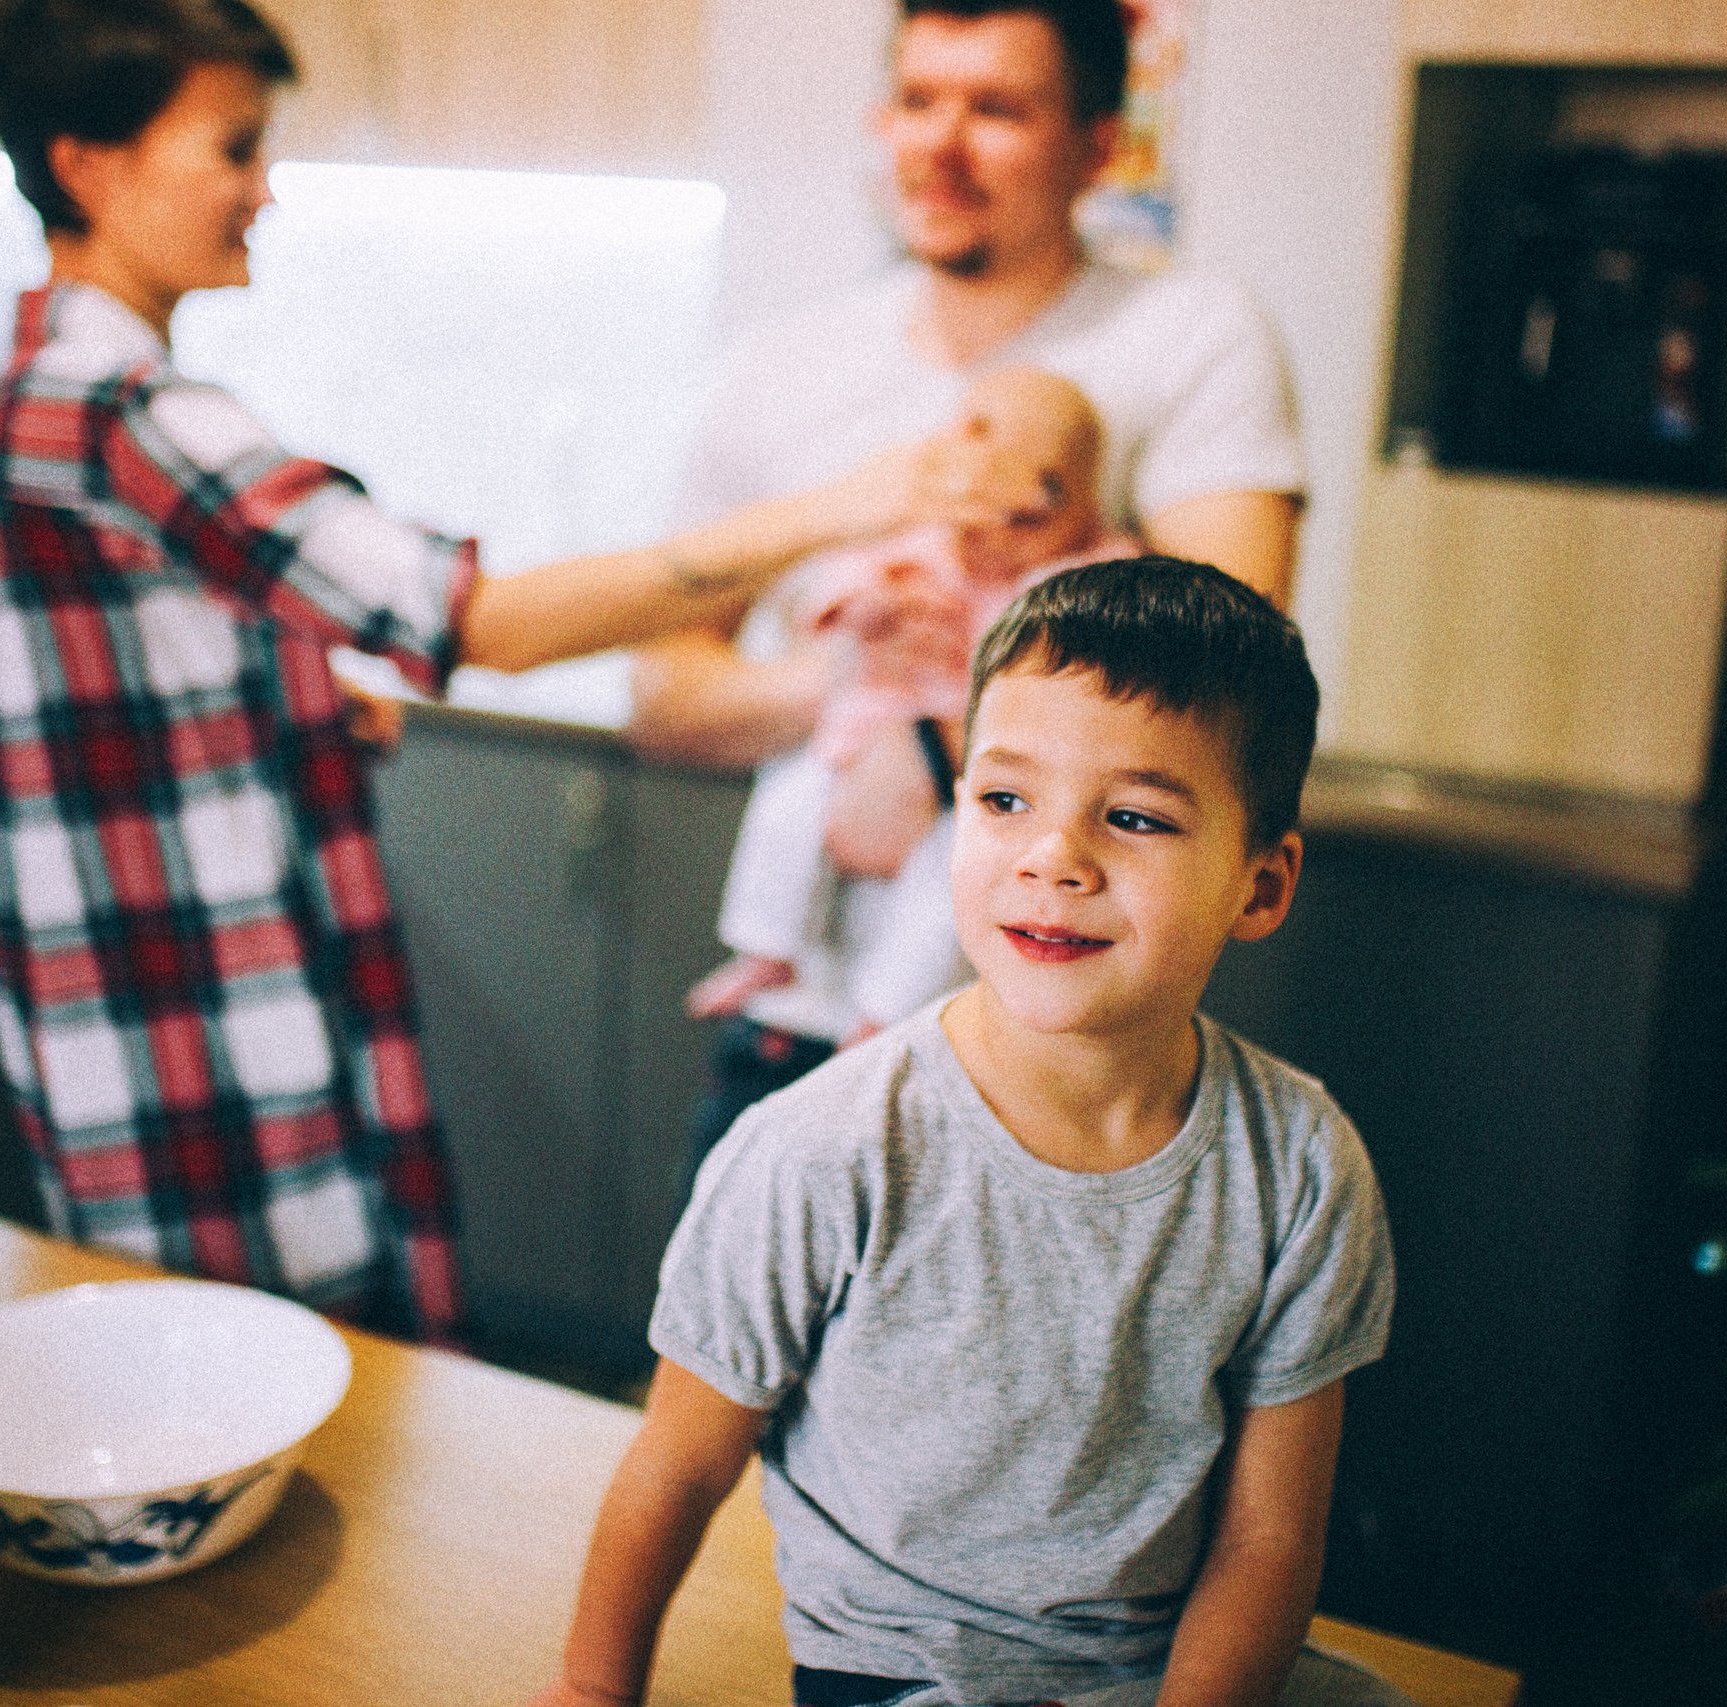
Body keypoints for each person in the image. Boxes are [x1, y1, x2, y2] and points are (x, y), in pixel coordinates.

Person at [0, 0, 997, 1343]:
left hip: (116, 1022)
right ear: (89, 164)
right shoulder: (120, 410)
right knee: (273, 1374)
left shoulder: (13, 401)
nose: (264, 188)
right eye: (233, 147)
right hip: (194, 1026)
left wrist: (293, 699)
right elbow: (483, 623)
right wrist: (848, 502)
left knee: (209, 1375)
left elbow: (42, 690)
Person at [533, 558, 1406, 1707]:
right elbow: (677, 1465)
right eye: (1002, 801)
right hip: (905, 1678)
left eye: (1134, 817)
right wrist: (594, 1693)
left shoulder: (1299, 1164)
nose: (1054, 857)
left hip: (1168, 1669)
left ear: (1260, 885)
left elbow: (1269, 1540)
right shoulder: (824, 1147)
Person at [637, 0, 1309, 1164]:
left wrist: (935, 751)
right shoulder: (782, 364)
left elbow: (1219, 687)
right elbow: (665, 700)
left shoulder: (1190, 336)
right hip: (790, 1037)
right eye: (918, 100)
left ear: (1100, 144)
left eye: (997, 109)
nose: (940, 146)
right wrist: (852, 692)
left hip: (1057, 1052)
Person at [686, 366, 1134, 1048]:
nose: (999, 535)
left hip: (975, 787)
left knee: (952, 888)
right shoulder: (917, 542)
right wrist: (863, 610)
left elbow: (1112, 664)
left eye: (1032, 517)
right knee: (783, 808)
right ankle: (766, 948)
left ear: (1084, 509)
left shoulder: (1084, 575)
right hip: (856, 738)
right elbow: (831, 596)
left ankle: (882, 1016)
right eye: (985, 508)